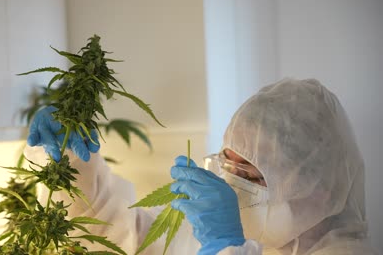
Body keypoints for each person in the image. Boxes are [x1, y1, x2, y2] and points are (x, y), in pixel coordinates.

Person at [23, 78, 377, 254]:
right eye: (228, 162)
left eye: (252, 174)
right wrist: (73, 165)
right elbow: (117, 239)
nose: (233, 185)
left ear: (319, 190)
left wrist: (226, 246)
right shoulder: (208, 230)